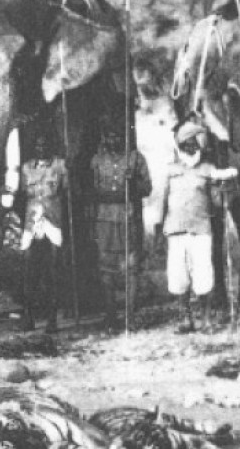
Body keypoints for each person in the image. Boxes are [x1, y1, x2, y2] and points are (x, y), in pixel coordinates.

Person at [157, 120, 238, 334]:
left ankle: (206, 319)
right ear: (180, 145)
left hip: (201, 229)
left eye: (195, 143)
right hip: (175, 230)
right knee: (178, 278)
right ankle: (186, 319)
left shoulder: (207, 169)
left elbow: (217, 203)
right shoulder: (170, 169)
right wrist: (159, 227)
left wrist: (224, 190)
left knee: (203, 277)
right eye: (188, 143)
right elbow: (163, 201)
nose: (192, 147)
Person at [90, 125, 152, 329]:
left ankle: (130, 316)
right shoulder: (97, 161)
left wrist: (133, 184)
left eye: (118, 136)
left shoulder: (135, 159)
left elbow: (147, 188)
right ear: (104, 137)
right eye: (109, 135)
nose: (113, 140)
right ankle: (110, 314)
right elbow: (91, 191)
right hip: (105, 220)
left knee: (130, 267)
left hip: (128, 217)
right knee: (106, 269)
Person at [15, 134, 66, 333]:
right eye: (38, 145)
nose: (41, 148)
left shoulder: (60, 166)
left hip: (53, 221)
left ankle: (52, 319)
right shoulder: (26, 168)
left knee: (53, 269)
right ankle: (28, 316)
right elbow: (20, 196)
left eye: (45, 144)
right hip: (31, 222)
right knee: (29, 268)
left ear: (51, 146)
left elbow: (68, 192)